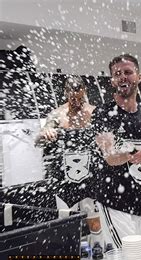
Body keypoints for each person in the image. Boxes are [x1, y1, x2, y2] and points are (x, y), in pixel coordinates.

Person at [92, 54, 141, 249]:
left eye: (128, 72)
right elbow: (110, 158)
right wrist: (131, 155)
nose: (123, 77)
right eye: (117, 74)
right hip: (115, 201)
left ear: (139, 77)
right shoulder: (103, 113)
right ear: (113, 80)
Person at [35, 76, 100, 241]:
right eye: (73, 99)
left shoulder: (94, 112)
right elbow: (38, 140)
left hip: (90, 178)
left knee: (96, 225)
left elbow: (108, 138)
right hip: (65, 180)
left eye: (80, 98)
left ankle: (100, 259)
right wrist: (45, 133)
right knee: (66, 227)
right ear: (66, 94)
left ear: (85, 92)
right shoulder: (57, 115)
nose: (77, 103)